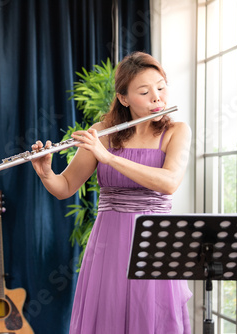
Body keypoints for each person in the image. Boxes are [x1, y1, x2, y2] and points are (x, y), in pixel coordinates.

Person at [31, 51, 192, 334]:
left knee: (152, 320)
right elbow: (65, 187)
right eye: (144, 91)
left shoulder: (177, 131)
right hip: (109, 243)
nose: (157, 97)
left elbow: (169, 182)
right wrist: (46, 172)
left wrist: (109, 158)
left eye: (161, 87)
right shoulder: (101, 132)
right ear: (124, 98)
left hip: (156, 241)